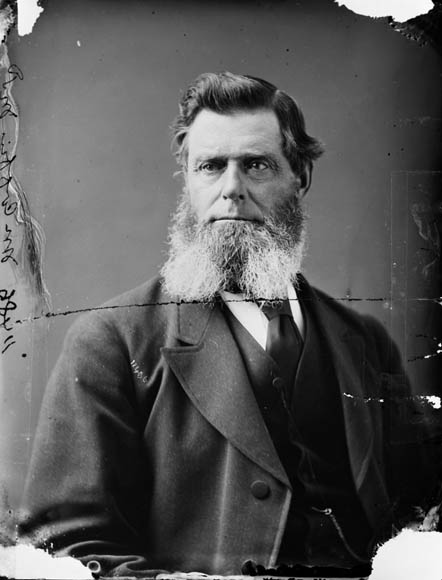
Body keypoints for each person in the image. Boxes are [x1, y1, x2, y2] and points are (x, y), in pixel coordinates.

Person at [19, 72, 440, 577]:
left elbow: (419, 512)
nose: (232, 190)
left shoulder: (366, 342)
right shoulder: (110, 343)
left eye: (256, 165)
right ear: (188, 180)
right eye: (211, 166)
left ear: (301, 176)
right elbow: (64, 550)